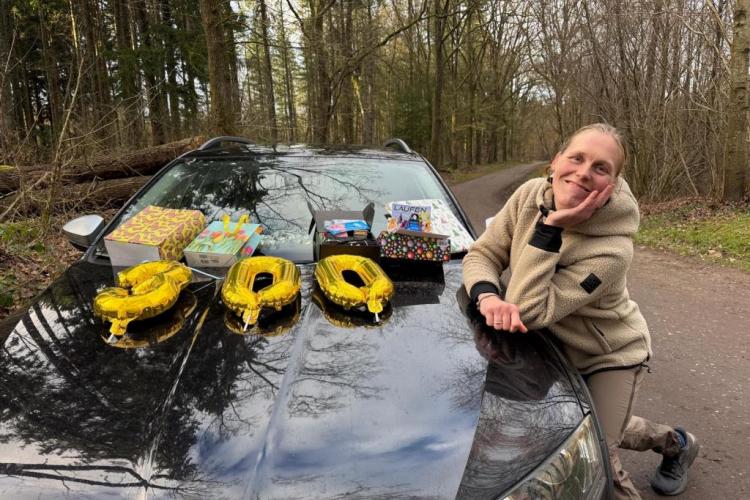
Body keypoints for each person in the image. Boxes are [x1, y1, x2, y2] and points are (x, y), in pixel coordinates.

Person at [462, 123, 699, 499]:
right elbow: (483, 253)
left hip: (606, 355)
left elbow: (529, 310)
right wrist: (487, 295)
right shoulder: (528, 196)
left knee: (595, 459)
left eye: (601, 167)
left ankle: (672, 448)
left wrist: (551, 228)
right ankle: (677, 442)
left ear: (613, 185)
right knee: (576, 428)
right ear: (555, 162)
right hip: (547, 346)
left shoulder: (613, 250)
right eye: (576, 158)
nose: (584, 172)